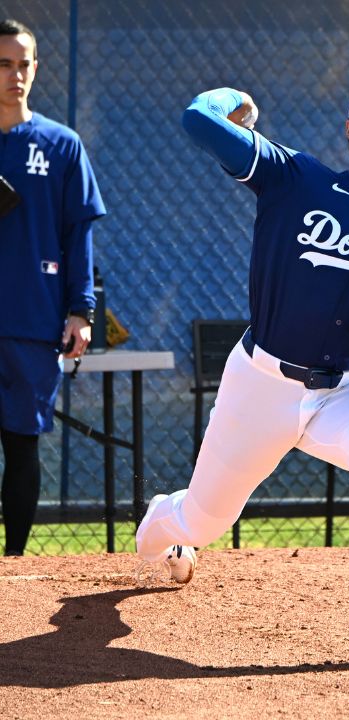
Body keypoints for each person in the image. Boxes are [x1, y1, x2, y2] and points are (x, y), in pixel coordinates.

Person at [136, 72, 349, 674]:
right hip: (260, 382)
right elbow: (198, 120)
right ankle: (167, 520)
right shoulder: (297, 178)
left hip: (347, 393)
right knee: (206, 520)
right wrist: (234, 103)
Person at [0, 20, 104, 557]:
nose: (15, 75)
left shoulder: (62, 146)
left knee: (22, 447)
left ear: (36, 68)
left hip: (33, 322)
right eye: (4, 64)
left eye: (24, 64)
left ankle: (11, 568)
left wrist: (80, 310)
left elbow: (77, 233)